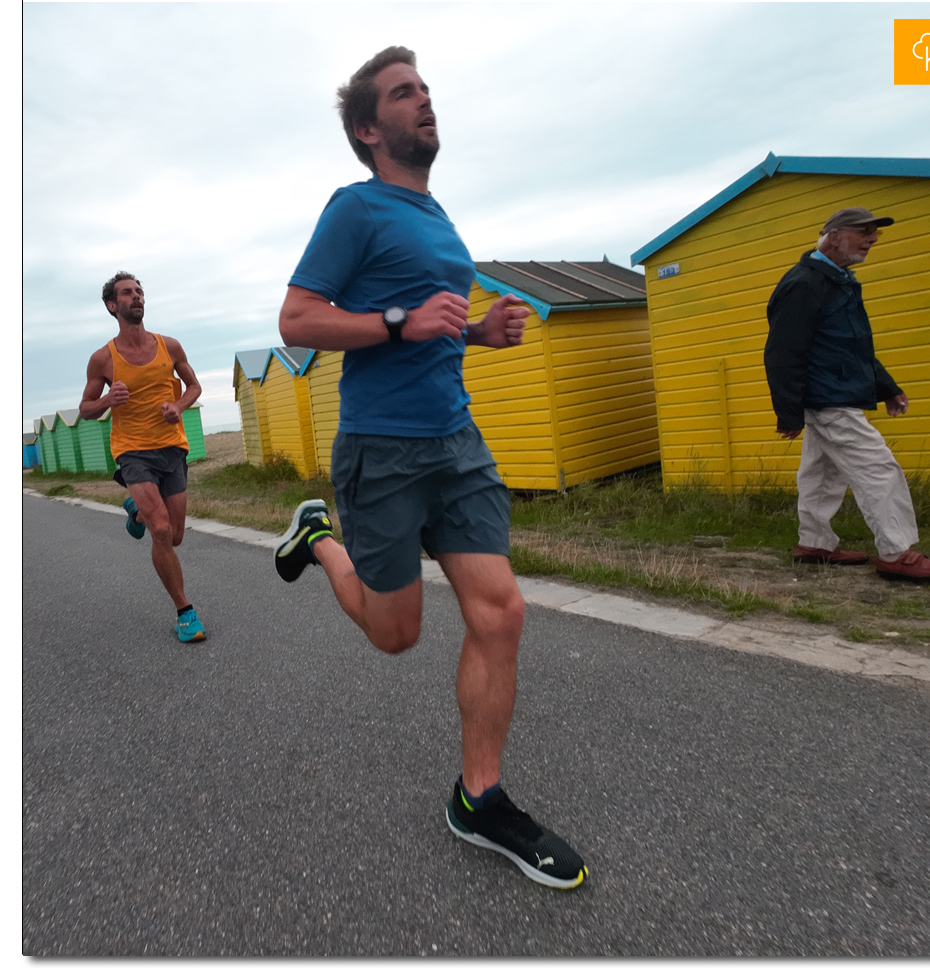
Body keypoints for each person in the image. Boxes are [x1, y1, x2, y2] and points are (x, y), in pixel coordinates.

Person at [273, 47, 587, 888]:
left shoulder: (439, 214)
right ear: (369, 128)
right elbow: (298, 320)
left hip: (458, 441)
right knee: (395, 634)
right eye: (404, 93)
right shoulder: (355, 208)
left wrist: (478, 332)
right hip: (383, 449)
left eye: (427, 88)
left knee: (502, 613)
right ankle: (320, 540)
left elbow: (427, 326)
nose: (425, 101)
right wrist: (400, 318)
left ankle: (478, 799)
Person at [763, 207, 930, 582]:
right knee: (879, 469)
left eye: (875, 233)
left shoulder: (838, 280)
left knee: (822, 473)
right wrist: (787, 413)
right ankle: (896, 552)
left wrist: (887, 386)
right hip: (827, 398)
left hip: (835, 392)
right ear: (834, 235)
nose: (872, 239)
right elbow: (782, 352)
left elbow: (852, 346)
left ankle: (815, 543)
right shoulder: (804, 283)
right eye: (864, 232)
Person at [79, 272, 208, 642]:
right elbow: (86, 409)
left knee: (177, 536)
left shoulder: (171, 346)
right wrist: (107, 401)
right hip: (133, 451)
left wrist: (180, 405)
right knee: (162, 530)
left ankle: (135, 509)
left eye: (138, 291)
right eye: (126, 293)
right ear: (112, 305)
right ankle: (185, 612)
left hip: (171, 447)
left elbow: (194, 385)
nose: (136, 297)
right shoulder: (103, 359)